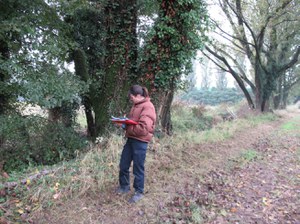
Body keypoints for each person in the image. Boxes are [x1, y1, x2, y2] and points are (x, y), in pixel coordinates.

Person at [116, 84, 156, 203]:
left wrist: (127, 126)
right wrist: (123, 124)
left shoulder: (148, 107)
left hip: (141, 141)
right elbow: (134, 123)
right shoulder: (136, 105)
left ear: (138, 95)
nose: (131, 100)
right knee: (123, 164)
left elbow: (144, 128)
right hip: (131, 139)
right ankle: (124, 187)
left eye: (132, 97)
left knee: (138, 168)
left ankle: (139, 192)